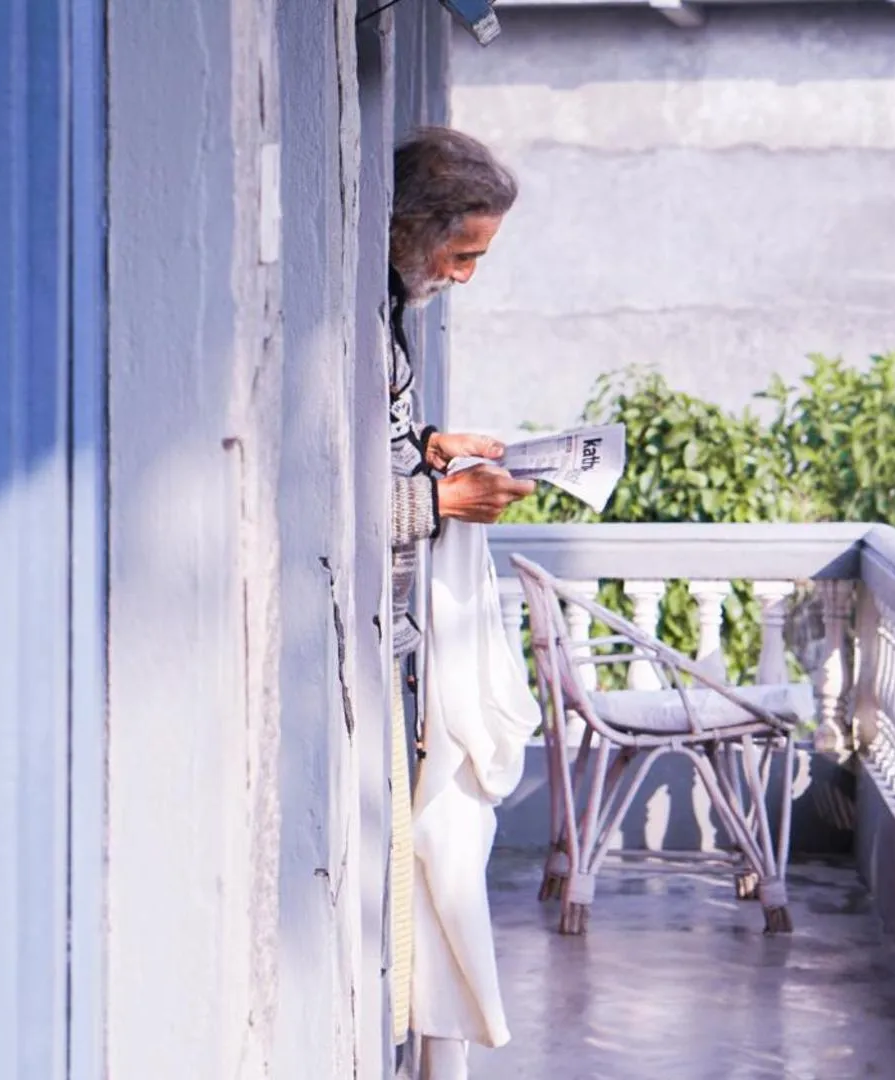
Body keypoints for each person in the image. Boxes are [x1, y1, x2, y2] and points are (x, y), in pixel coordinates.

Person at [383, 127, 531, 1079]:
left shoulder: (387, 309)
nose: (466, 276)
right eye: (462, 254)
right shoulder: (350, 305)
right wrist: (432, 502)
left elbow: (373, 431)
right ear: (407, 228)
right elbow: (299, 493)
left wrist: (429, 441)